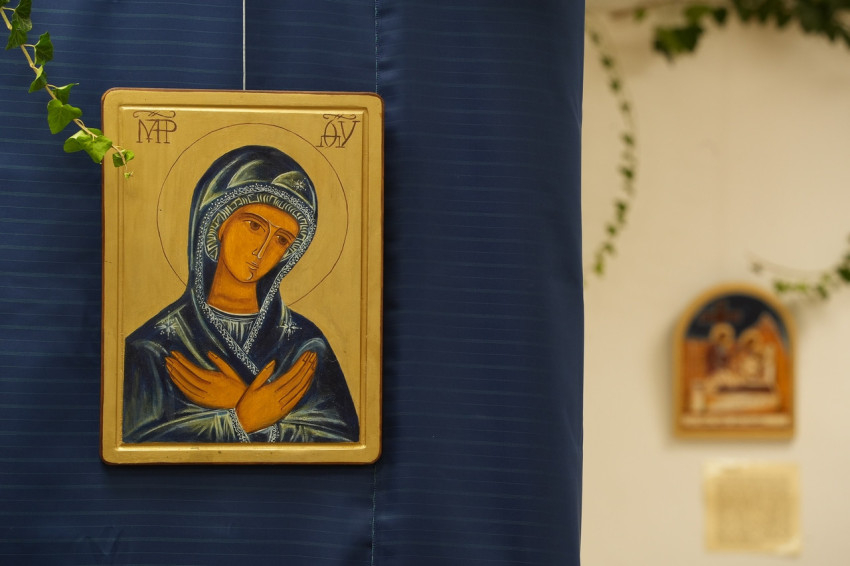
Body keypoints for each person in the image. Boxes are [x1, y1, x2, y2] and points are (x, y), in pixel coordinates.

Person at [123, 146, 359, 443]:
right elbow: (136, 443)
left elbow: (343, 441)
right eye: (254, 225)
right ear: (217, 223)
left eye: (282, 239)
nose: (262, 250)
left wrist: (243, 406)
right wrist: (242, 419)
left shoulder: (306, 344)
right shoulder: (154, 345)